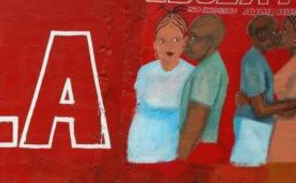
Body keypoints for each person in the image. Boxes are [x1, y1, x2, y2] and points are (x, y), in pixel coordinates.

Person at [127, 11, 194, 163]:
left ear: (184, 42)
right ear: (155, 44)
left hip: (173, 142)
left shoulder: (191, 74)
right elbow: (139, 102)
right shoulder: (146, 71)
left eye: (176, 40)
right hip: (141, 139)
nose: (169, 46)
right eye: (162, 41)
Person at [230, 15, 296, 166]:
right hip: (254, 126)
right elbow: (261, 109)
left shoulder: (259, 60)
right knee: (250, 170)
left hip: (266, 126)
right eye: (276, 32)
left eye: (284, 31)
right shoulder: (254, 61)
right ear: (261, 35)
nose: (279, 35)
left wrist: (251, 102)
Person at [177, 14, 229, 162]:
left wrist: (178, 162)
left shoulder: (207, 72)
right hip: (201, 148)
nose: (187, 42)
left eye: (194, 38)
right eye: (189, 36)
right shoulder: (213, 65)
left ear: (209, 43)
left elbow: (194, 126)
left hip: (196, 151)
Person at [267, 16, 296, 162]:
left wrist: (261, 107)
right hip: (283, 127)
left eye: (286, 31)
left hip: (290, 131)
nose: (280, 34)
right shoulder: (291, 61)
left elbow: (292, 105)